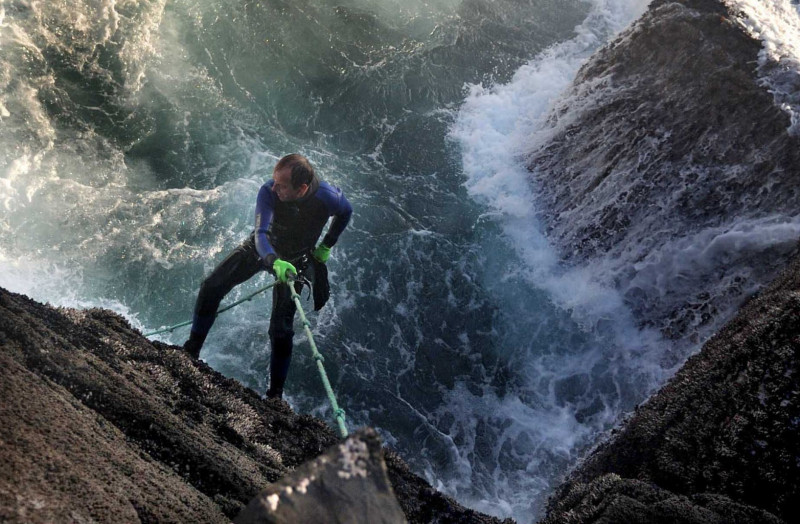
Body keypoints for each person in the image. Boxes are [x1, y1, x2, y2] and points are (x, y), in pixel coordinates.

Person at [183, 153, 353, 399]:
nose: (274, 187)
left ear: (302, 188)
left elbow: (346, 212)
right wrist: (273, 261)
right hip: (264, 249)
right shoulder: (268, 192)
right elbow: (260, 234)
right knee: (211, 286)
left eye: (282, 185)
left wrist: (327, 245)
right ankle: (191, 351)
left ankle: (275, 397)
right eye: (275, 181)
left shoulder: (327, 197)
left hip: (295, 261)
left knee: (280, 330)